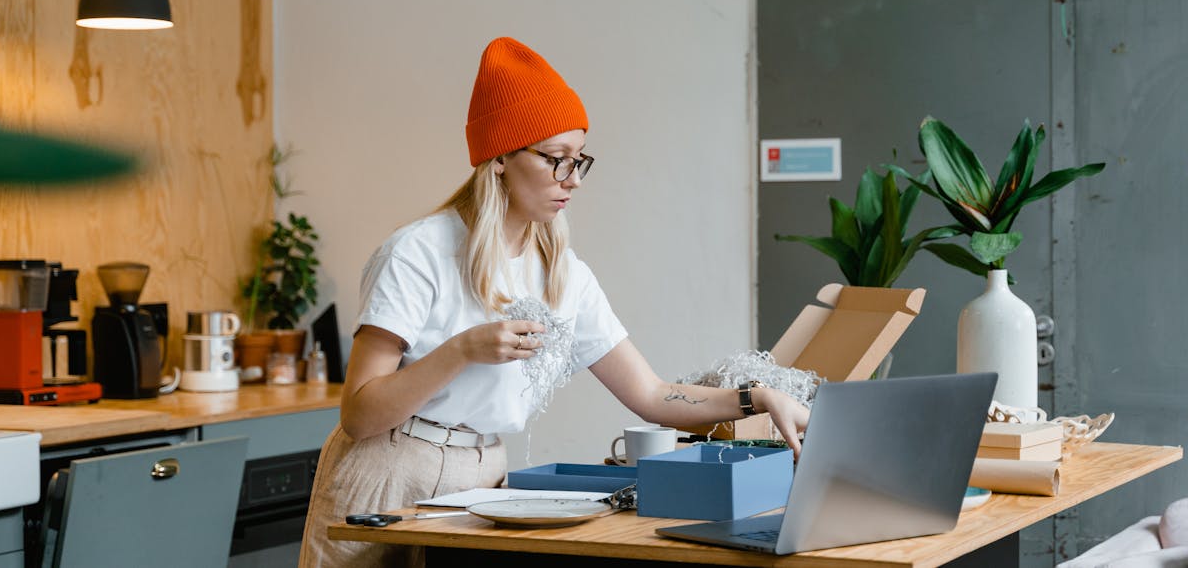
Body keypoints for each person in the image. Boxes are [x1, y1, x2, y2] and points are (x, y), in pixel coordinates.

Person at [298, 37, 812, 567]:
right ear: (499, 157)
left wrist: (757, 399)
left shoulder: (564, 275)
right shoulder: (417, 252)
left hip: (483, 477)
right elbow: (359, 414)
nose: (573, 181)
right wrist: (461, 350)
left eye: (579, 160)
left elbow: (651, 395)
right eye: (555, 160)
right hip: (388, 466)